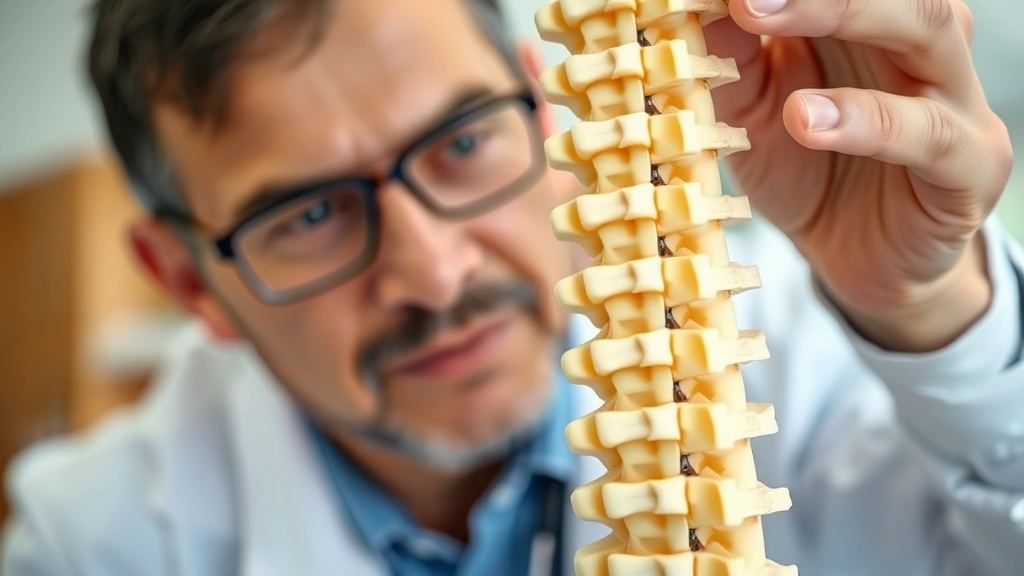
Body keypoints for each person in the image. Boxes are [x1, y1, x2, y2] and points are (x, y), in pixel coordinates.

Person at [3, 0, 1023, 574]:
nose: (436, 272)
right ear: (188, 279)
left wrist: (929, 316)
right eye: (307, 214)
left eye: (460, 143)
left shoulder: (805, 368)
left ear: (545, 111)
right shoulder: (93, 544)